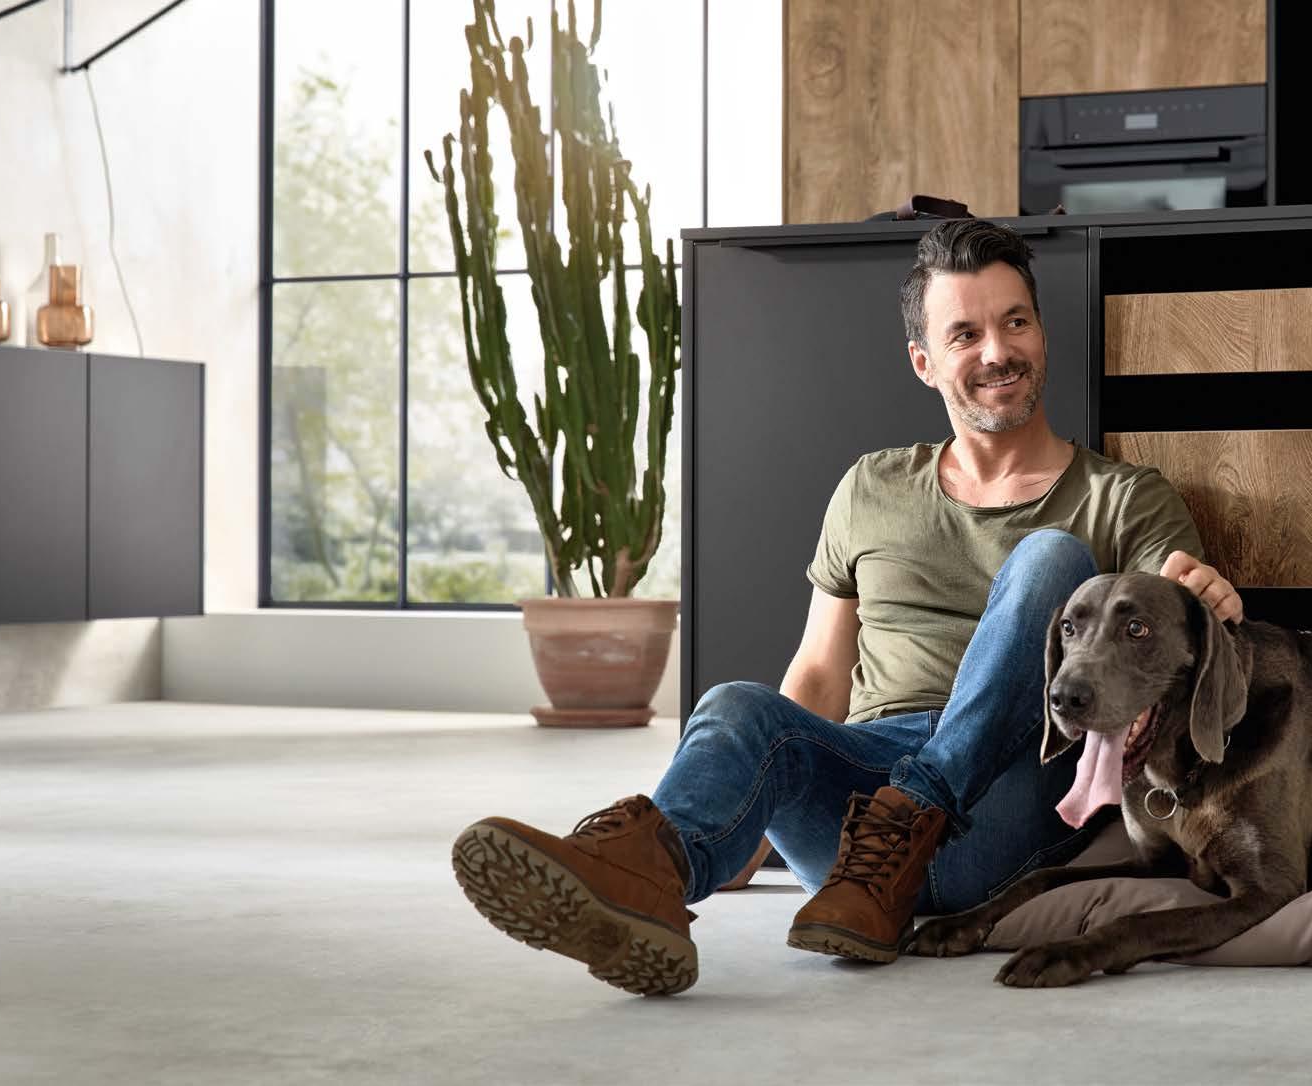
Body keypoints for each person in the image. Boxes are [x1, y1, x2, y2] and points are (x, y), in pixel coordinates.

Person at [450, 219, 1244, 996]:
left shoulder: (1123, 498)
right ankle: (646, 882)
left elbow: (1165, 631)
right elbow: (820, 671)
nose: (996, 352)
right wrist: (738, 816)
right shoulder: (871, 485)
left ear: (1040, 334)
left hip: (1008, 796)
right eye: (964, 334)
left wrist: (1204, 599)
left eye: (1014, 323)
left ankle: (913, 813)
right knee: (734, 704)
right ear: (923, 362)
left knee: (1050, 559)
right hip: (858, 838)